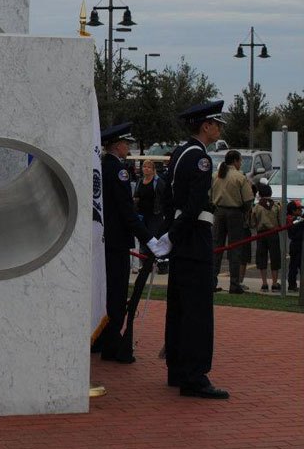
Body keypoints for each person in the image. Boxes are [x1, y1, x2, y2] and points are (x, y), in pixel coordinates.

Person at [164, 100, 229, 399]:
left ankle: (177, 370)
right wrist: (176, 234)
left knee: (178, 306)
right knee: (197, 311)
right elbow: (193, 205)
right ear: (206, 126)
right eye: (217, 123)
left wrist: (169, 234)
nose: (219, 128)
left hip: (181, 237)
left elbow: (169, 198)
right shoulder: (202, 159)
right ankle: (195, 376)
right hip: (193, 237)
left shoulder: (180, 153)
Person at [94, 123, 162, 363]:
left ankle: (101, 338)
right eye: (126, 143)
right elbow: (126, 212)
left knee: (104, 290)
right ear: (117, 145)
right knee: (116, 292)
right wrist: (149, 239)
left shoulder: (100, 167)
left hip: (101, 240)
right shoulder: (119, 171)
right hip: (116, 240)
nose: (128, 147)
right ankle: (112, 343)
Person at [211, 149, 255, 294]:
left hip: (218, 212)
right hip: (235, 213)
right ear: (235, 161)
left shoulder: (216, 175)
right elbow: (248, 199)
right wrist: (244, 211)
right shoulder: (239, 177)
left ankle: (212, 281)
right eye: (240, 160)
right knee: (235, 248)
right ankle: (234, 284)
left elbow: (209, 195)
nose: (240, 163)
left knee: (217, 247)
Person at [251, 184, 284, 291]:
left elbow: (252, 223)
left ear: (260, 194)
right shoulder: (276, 206)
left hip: (261, 234)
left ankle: (264, 283)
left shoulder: (257, 207)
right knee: (275, 257)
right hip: (273, 233)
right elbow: (281, 223)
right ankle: (274, 283)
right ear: (271, 193)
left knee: (262, 257)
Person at [286, 200, 303, 291]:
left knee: (295, 266)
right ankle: (292, 285)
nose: (301, 211)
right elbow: (296, 223)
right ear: (293, 210)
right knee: (294, 266)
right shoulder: (293, 219)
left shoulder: (295, 219)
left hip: (296, 244)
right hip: (297, 244)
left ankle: (292, 285)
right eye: (299, 209)